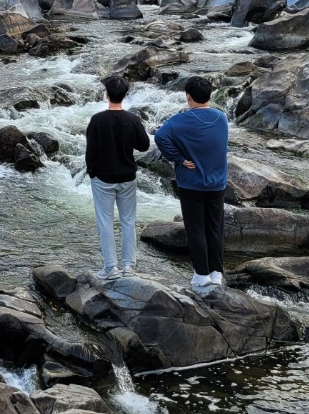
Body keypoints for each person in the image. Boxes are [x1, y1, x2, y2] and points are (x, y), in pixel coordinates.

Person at [154, 76, 229, 293]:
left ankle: (201, 276)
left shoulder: (178, 120)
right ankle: (216, 274)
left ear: (188, 97)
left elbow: (160, 137)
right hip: (217, 184)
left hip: (191, 184)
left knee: (196, 229)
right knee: (215, 228)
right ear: (210, 95)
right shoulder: (221, 117)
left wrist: (178, 158)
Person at [84, 74, 150, 281]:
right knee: (128, 221)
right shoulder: (133, 120)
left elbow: (91, 151)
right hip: (127, 177)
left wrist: (92, 172)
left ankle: (111, 268)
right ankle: (129, 266)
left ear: (106, 94)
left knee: (105, 222)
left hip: (103, 178)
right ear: (125, 95)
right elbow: (144, 145)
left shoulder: (97, 120)